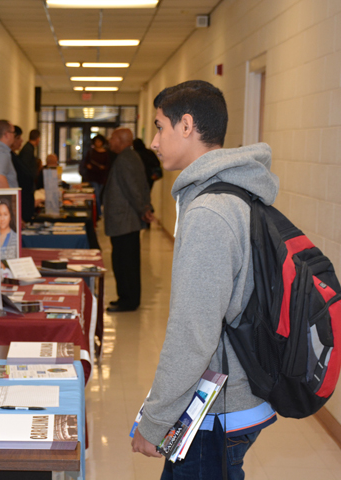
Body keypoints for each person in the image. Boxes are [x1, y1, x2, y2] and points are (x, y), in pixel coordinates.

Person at [132, 80, 278, 479]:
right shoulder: (232, 195)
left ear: (187, 126)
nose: (154, 141)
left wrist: (155, 421)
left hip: (216, 409)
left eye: (160, 127)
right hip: (235, 392)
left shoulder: (209, 213)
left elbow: (194, 334)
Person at [103, 128, 153, 312]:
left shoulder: (125, 159)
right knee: (127, 261)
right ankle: (128, 298)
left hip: (123, 221)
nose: (110, 140)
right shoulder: (130, 157)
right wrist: (145, 208)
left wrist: (143, 209)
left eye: (113, 137)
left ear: (122, 140)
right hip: (126, 221)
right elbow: (143, 185)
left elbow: (132, 188)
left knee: (124, 263)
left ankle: (127, 300)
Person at [10, 125, 36, 222]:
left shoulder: (15, 156)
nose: (21, 140)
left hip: (25, 204)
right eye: (18, 138)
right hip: (20, 205)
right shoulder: (8, 157)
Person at [82, 134, 110, 217]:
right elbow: (85, 162)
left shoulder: (106, 153)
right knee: (96, 195)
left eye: (99, 142)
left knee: (99, 195)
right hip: (92, 176)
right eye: (96, 142)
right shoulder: (91, 152)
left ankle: (97, 212)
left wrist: (103, 167)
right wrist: (88, 166)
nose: (98, 143)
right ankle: (99, 213)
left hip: (101, 177)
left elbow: (108, 165)